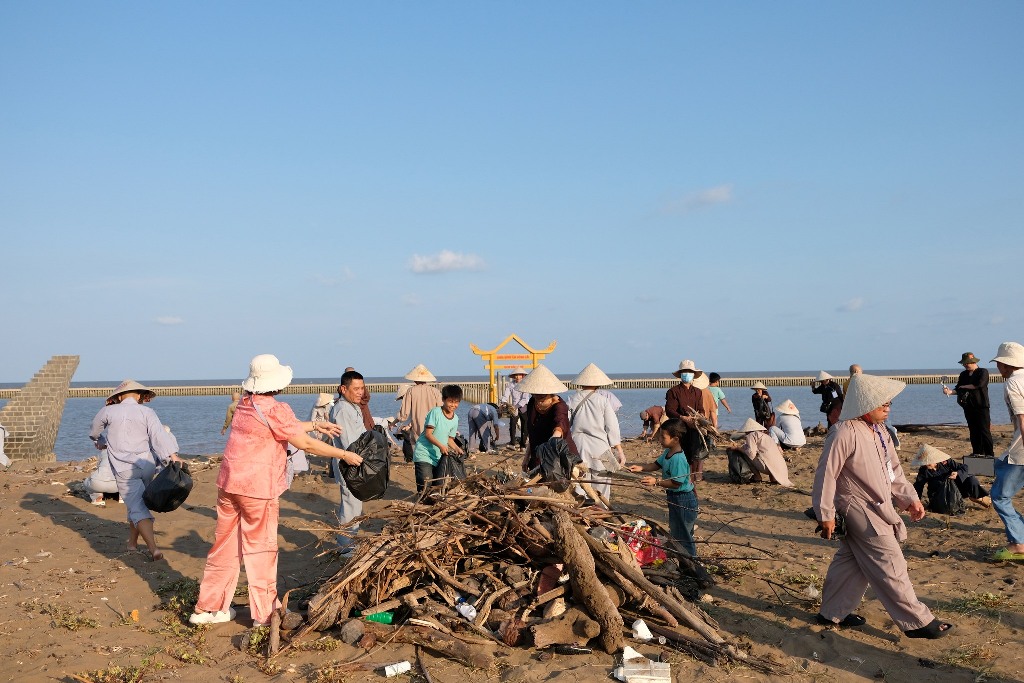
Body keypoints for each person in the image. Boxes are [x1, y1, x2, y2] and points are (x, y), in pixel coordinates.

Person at [189, 354, 363, 626]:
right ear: (277, 383)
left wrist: (316, 424)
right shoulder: (276, 408)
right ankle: (264, 614)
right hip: (258, 488)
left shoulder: (245, 404)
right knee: (261, 550)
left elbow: (282, 429)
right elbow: (306, 444)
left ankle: (209, 609)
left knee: (224, 547)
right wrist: (344, 454)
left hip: (228, 484)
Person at [811, 373, 953, 639]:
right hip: (856, 507)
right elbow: (826, 474)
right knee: (890, 559)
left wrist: (909, 498)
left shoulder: (881, 432)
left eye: (889, 403)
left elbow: (894, 471)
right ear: (865, 404)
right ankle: (917, 621)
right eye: (882, 403)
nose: (887, 407)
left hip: (878, 504)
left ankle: (832, 612)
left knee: (850, 562)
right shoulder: (843, 431)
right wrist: (825, 515)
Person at [88, 380, 181, 561]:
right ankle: (132, 543)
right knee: (137, 503)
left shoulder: (108, 411)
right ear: (139, 395)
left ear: (119, 396)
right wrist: (172, 456)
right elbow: (158, 435)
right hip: (146, 465)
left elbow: (94, 430)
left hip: (124, 468)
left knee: (137, 506)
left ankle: (153, 549)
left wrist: (99, 440)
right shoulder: (147, 411)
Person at [628, 418, 698, 558]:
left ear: (675, 439)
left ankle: (691, 563)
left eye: (663, 436)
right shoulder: (668, 452)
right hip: (675, 498)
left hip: (683, 499)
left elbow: (676, 483)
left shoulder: (678, 458)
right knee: (678, 530)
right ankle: (684, 559)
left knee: (683, 535)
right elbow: (655, 465)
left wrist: (656, 482)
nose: (659, 439)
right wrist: (641, 468)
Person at [567, 363, 625, 502]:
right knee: (602, 485)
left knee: (580, 483)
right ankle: (602, 511)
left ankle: (583, 514)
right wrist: (619, 451)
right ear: (598, 384)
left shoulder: (572, 400)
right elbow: (612, 427)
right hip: (600, 446)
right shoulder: (603, 400)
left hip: (577, 445)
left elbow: (565, 425)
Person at [989, 341, 1024, 562]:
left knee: (1000, 496)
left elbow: (1022, 418)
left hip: (1021, 451)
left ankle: (1018, 543)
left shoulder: (1013, 383)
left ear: (1003, 364)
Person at [330, 369, 369, 555]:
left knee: (353, 504)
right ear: (343, 389)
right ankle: (346, 548)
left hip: (355, 462)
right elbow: (350, 443)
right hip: (348, 463)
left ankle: (347, 542)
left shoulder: (352, 406)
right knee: (350, 504)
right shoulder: (342, 409)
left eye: (362, 387)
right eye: (356, 388)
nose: (360, 392)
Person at [518, 365, 579, 471]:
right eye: (535, 395)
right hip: (537, 457)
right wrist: (526, 458)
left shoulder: (559, 406)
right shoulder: (532, 403)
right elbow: (533, 436)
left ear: (550, 393)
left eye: (542, 396)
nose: (538, 399)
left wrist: (553, 439)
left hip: (559, 457)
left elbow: (560, 424)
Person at [665, 360, 712, 482]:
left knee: (694, 455)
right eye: (685, 372)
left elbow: (701, 409)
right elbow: (669, 410)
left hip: (694, 428)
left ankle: (692, 478)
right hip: (679, 428)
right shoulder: (673, 391)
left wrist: (699, 417)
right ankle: (681, 477)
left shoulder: (697, 392)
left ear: (693, 375)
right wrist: (682, 417)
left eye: (689, 372)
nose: (687, 374)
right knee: (681, 455)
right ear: (680, 374)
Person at [412, 384, 464, 494]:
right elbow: (428, 434)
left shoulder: (455, 419)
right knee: (426, 481)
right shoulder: (435, 412)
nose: (453, 405)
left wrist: (457, 448)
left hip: (438, 456)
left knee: (437, 485)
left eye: (456, 402)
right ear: (443, 400)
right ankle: (421, 502)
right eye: (450, 401)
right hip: (424, 453)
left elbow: (449, 439)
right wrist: (441, 446)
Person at [942, 352, 994, 456]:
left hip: (981, 406)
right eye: (964, 363)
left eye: (967, 363)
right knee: (973, 430)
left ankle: (989, 454)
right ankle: (977, 452)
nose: (965, 365)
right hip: (968, 406)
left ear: (974, 361)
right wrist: (949, 392)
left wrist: (963, 387)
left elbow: (979, 385)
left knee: (984, 431)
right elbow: (958, 388)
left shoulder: (982, 372)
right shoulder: (963, 374)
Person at [911, 444, 990, 509]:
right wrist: (916, 502)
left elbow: (964, 467)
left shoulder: (946, 462)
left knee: (971, 479)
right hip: (939, 494)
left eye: (928, 463)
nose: (926, 465)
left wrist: (957, 473)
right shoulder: (923, 471)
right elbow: (918, 486)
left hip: (955, 488)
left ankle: (978, 497)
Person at [726, 418, 793, 487]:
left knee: (747, 454)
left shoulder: (751, 435)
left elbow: (751, 453)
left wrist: (737, 448)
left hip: (767, 468)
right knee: (767, 454)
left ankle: (757, 477)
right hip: (780, 468)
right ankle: (773, 478)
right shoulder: (766, 436)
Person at [396, 364, 443, 459]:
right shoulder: (435, 391)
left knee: (418, 451)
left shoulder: (411, 391)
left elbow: (404, 414)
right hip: (434, 426)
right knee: (433, 451)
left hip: (418, 427)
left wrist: (398, 420)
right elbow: (441, 411)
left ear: (414, 379)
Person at [500, 369, 530, 450]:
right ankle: (512, 444)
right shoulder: (511, 385)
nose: (517, 377)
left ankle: (523, 445)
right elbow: (506, 395)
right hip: (513, 407)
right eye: (516, 375)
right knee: (512, 425)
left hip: (523, 407)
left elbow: (524, 398)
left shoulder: (525, 384)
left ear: (522, 376)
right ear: (513, 376)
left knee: (525, 426)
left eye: (519, 375)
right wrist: (503, 402)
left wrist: (516, 406)